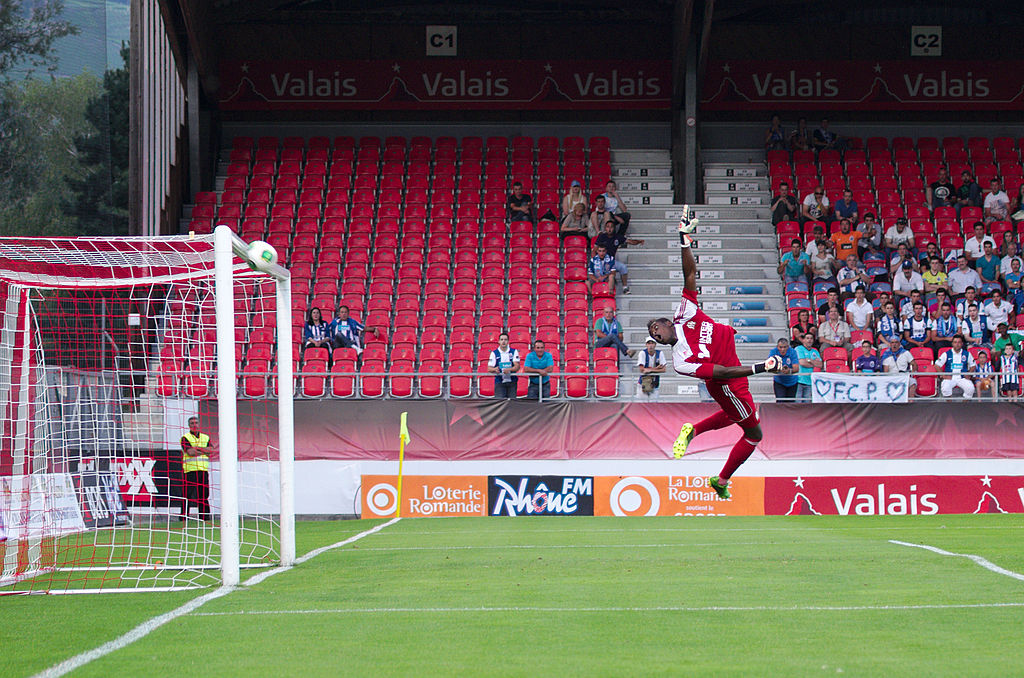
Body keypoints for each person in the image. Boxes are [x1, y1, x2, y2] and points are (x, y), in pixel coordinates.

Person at [647, 208, 782, 499]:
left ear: (667, 322)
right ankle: (721, 480)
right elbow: (721, 372)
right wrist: (761, 367)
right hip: (728, 384)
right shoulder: (680, 360)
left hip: (732, 373)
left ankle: (693, 432)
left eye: (656, 328)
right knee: (754, 434)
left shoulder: (684, 313)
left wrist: (684, 239)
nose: (655, 335)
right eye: (653, 336)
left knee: (736, 417)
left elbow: (690, 273)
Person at [179, 416, 216, 521]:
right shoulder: (185, 438)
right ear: (189, 425)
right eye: (192, 423)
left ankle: (204, 517)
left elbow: (211, 450)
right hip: (190, 471)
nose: (194, 425)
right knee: (187, 495)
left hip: (203, 471)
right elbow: (190, 452)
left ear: (199, 424)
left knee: (203, 495)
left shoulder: (205, 437)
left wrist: (198, 448)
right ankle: (184, 517)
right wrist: (204, 450)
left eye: (196, 423)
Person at [935, 334, 975, 399]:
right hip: (950, 377)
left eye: (959, 342)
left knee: (970, 388)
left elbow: (973, 365)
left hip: (962, 377)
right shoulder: (946, 354)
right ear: (952, 343)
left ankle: (965, 404)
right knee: (945, 388)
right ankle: (950, 404)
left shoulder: (967, 354)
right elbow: (937, 365)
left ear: (962, 344)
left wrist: (969, 373)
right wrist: (943, 375)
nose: (957, 344)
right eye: (955, 342)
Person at [487, 332, 520, 399]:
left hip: (512, 382)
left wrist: (509, 370)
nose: (503, 341)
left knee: (512, 402)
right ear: (499, 341)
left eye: (505, 339)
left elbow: (517, 367)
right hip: (499, 382)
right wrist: (495, 369)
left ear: (508, 341)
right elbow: (489, 368)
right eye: (501, 339)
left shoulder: (514, 351)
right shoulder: (494, 353)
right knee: (499, 402)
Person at [768, 337, 800, 402]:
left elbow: (796, 368)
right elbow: (769, 366)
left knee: (791, 404)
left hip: (792, 382)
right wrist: (780, 370)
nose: (783, 349)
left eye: (785, 347)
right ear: (777, 347)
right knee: (780, 403)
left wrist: (789, 370)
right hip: (779, 381)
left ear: (788, 347)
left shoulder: (793, 352)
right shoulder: (773, 352)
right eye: (780, 347)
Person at [635, 337, 667, 401]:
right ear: (646, 345)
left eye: (652, 343)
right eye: (649, 343)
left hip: (655, 383)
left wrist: (650, 370)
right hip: (643, 383)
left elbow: (664, 369)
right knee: (641, 404)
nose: (650, 345)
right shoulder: (642, 353)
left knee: (654, 404)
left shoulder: (660, 353)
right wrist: (656, 368)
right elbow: (642, 369)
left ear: (655, 344)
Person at [794, 332, 822, 403]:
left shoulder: (815, 351)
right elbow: (802, 363)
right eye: (807, 338)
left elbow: (820, 365)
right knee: (798, 403)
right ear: (803, 340)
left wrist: (809, 360)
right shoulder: (799, 349)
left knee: (807, 404)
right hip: (799, 380)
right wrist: (814, 363)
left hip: (810, 381)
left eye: (811, 338)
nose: (809, 340)